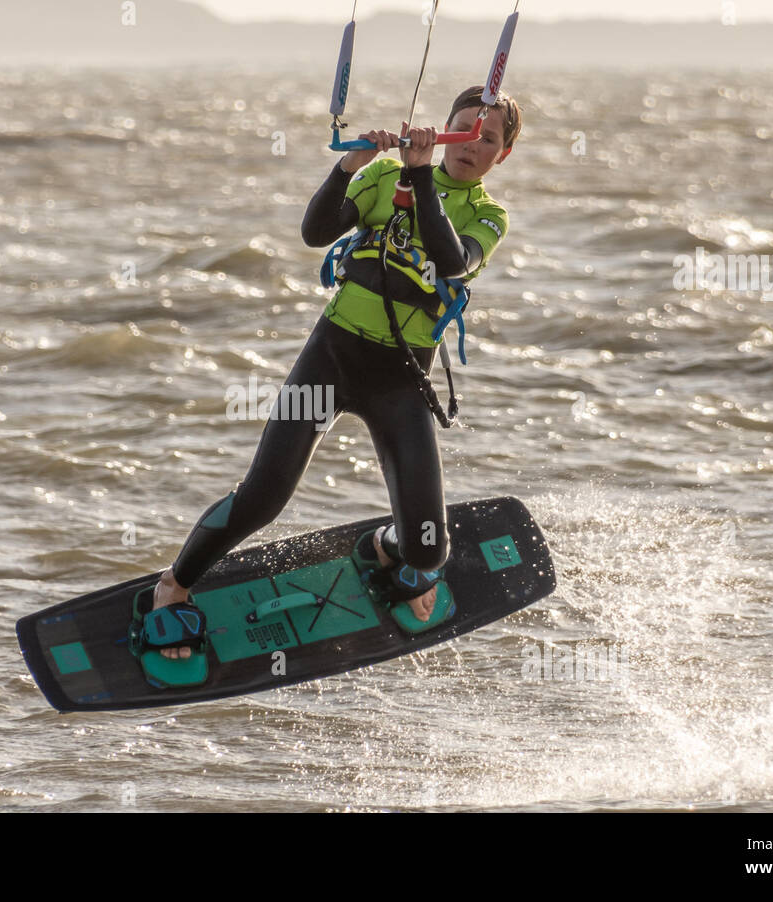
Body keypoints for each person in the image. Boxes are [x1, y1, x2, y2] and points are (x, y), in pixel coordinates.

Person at [148, 87, 522, 658]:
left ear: (503, 154)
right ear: (440, 128)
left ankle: (384, 546)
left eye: (487, 137)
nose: (472, 142)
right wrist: (351, 165)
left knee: (426, 553)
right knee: (264, 496)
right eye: (463, 127)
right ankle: (173, 586)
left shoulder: (488, 216)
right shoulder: (383, 178)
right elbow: (315, 232)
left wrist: (422, 177)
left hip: (402, 380)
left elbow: (452, 260)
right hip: (332, 359)